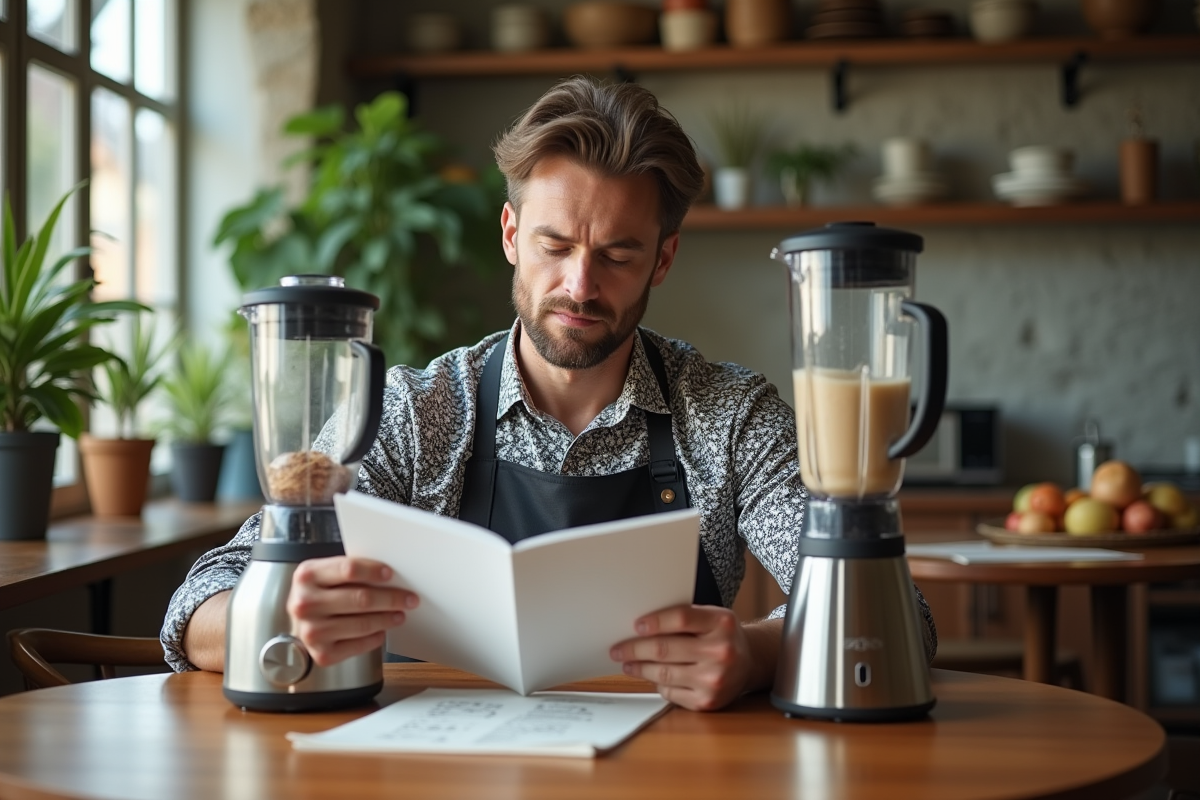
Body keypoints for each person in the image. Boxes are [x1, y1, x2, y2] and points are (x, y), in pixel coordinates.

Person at [162, 75, 937, 712]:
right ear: (509, 234)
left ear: (663, 259)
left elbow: (895, 619)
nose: (580, 284)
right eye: (554, 246)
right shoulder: (411, 412)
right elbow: (198, 603)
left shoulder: (730, 417)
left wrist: (760, 650)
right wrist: (282, 618)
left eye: (618, 254)